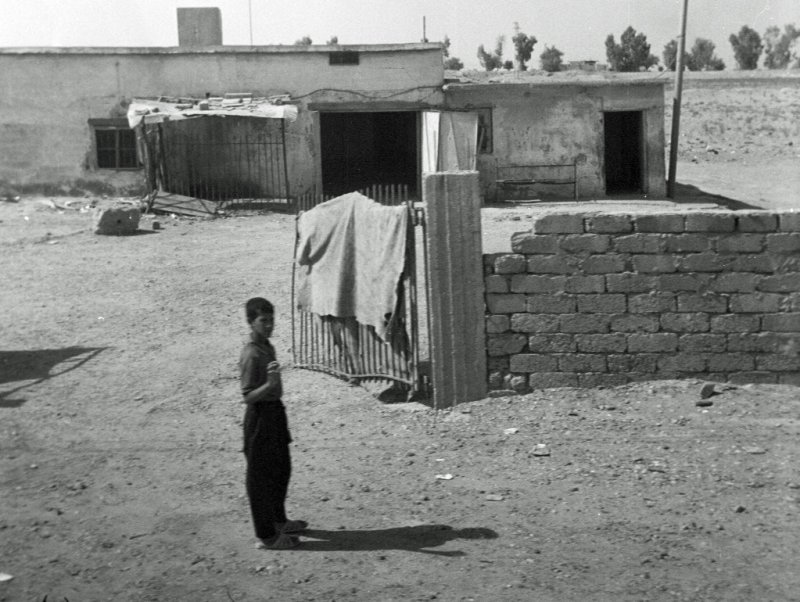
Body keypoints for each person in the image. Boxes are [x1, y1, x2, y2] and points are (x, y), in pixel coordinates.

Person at [239, 297, 307, 549]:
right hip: (259, 418)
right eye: (262, 321)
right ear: (250, 322)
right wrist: (269, 385)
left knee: (281, 469)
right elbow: (247, 396)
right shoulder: (251, 353)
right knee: (259, 478)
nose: (268, 325)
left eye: (271, 320)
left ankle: (279, 520)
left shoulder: (268, 347)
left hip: (275, 414)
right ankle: (266, 536)